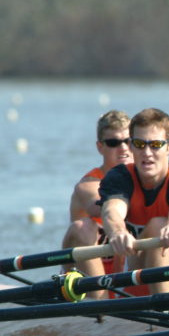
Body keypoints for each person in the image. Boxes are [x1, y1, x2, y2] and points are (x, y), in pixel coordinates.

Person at [99, 108, 169, 294]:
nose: (147, 153)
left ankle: (167, 309)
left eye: (155, 144)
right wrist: (118, 232)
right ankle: (163, 310)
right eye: (139, 144)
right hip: (131, 281)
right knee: (158, 226)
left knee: (168, 225)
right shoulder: (119, 177)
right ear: (131, 146)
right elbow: (112, 210)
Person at [60, 110, 131, 298]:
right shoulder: (89, 185)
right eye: (114, 143)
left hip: (126, 271)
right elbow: (100, 205)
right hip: (85, 278)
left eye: (129, 141)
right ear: (100, 147)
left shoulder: (147, 181)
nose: (123, 148)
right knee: (82, 227)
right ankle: (102, 305)